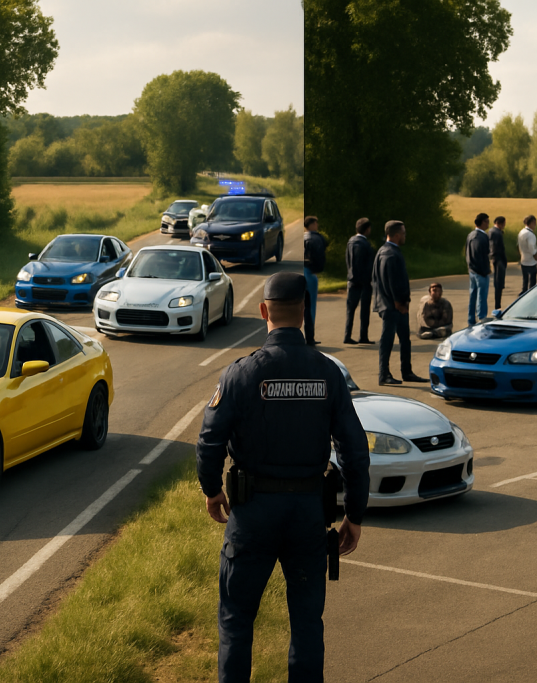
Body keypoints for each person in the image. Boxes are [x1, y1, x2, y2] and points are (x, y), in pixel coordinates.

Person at [196, 271, 370, 683]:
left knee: (237, 620)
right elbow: (354, 450)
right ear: (305, 312)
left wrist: (212, 490)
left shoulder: (242, 374)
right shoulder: (328, 374)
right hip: (308, 514)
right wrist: (355, 515)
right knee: (308, 622)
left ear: (263, 312)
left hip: (252, 514)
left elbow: (208, 440)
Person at [372, 220, 426, 386]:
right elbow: (392, 281)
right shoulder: (390, 254)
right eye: (403, 233)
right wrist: (398, 302)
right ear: (396, 235)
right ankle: (384, 374)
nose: (404, 236)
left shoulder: (384, 250)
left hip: (394, 304)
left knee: (405, 339)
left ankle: (406, 371)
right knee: (387, 340)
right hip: (392, 306)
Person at [344, 217, 375, 345]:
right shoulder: (365, 245)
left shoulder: (350, 242)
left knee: (350, 309)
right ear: (367, 229)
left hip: (352, 279)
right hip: (364, 282)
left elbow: (348, 260)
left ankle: (347, 335)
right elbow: (367, 265)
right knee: (364, 310)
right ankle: (363, 335)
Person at [303, 215, 326, 346]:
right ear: (312, 224)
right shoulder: (316, 238)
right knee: (310, 306)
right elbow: (320, 256)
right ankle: (310, 337)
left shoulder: (303, 237)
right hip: (310, 273)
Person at [465, 213, 491, 326]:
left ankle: (471, 319)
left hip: (472, 270)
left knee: (473, 295)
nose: (488, 223)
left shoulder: (471, 235)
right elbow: (480, 255)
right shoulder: (480, 236)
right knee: (482, 296)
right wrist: (485, 270)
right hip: (480, 271)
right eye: (487, 221)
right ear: (482, 222)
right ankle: (482, 318)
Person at [517, 215, 537, 293]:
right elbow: (533, 250)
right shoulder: (531, 235)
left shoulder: (521, 232)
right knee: (532, 284)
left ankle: (523, 293)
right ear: (532, 222)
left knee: (525, 281)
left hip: (523, 260)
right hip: (531, 261)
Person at [488, 216, 508, 310]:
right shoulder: (497, 233)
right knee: (499, 282)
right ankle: (497, 305)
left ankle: (498, 303)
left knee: (498, 282)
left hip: (495, 258)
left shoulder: (491, 231)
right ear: (500, 223)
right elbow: (496, 247)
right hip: (498, 258)